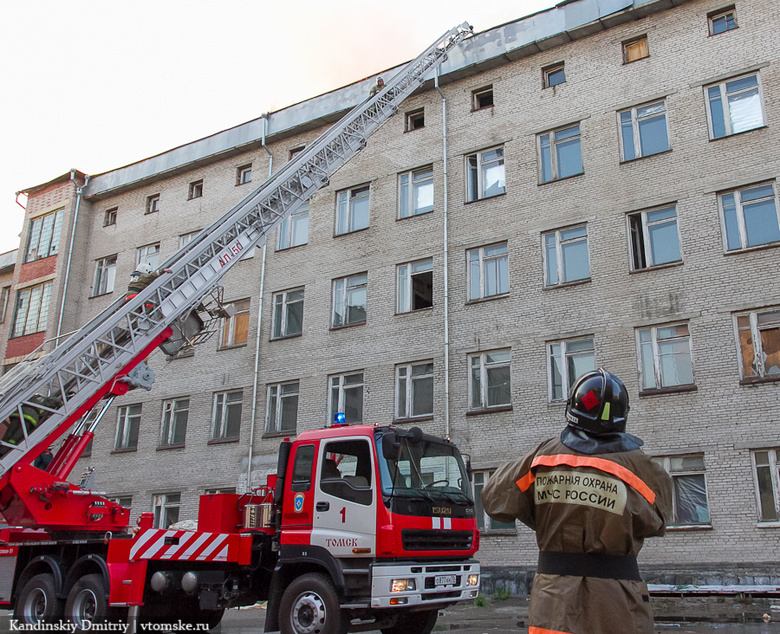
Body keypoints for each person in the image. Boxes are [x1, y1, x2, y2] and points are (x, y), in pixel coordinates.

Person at [482, 368, 672, 634]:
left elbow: (494, 500)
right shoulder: (641, 468)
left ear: (573, 407)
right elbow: (659, 521)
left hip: (555, 600)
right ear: (622, 416)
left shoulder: (541, 459)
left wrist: (544, 515)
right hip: (618, 601)